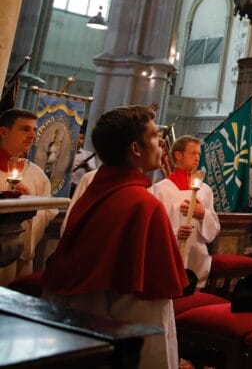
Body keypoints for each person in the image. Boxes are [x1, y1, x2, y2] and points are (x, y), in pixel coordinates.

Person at [43, 106, 189, 368]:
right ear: (135, 149)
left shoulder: (94, 192)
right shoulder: (143, 205)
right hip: (128, 330)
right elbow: (150, 311)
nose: (162, 144)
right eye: (155, 136)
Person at [151, 135, 221, 288]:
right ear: (178, 155)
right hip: (169, 256)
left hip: (197, 256)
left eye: (199, 154)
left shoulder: (205, 190)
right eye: (193, 153)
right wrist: (176, 233)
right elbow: (152, 227)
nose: (197, 158)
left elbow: (214, 229)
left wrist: (203, 214)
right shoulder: (160, 190)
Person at [0, 109, 57, 284]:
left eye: (34, 130)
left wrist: (29, 207)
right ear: (3, 132)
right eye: (25, 129)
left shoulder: (36, 174)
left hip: (19, 255)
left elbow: (48, 212)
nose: (32, 135)